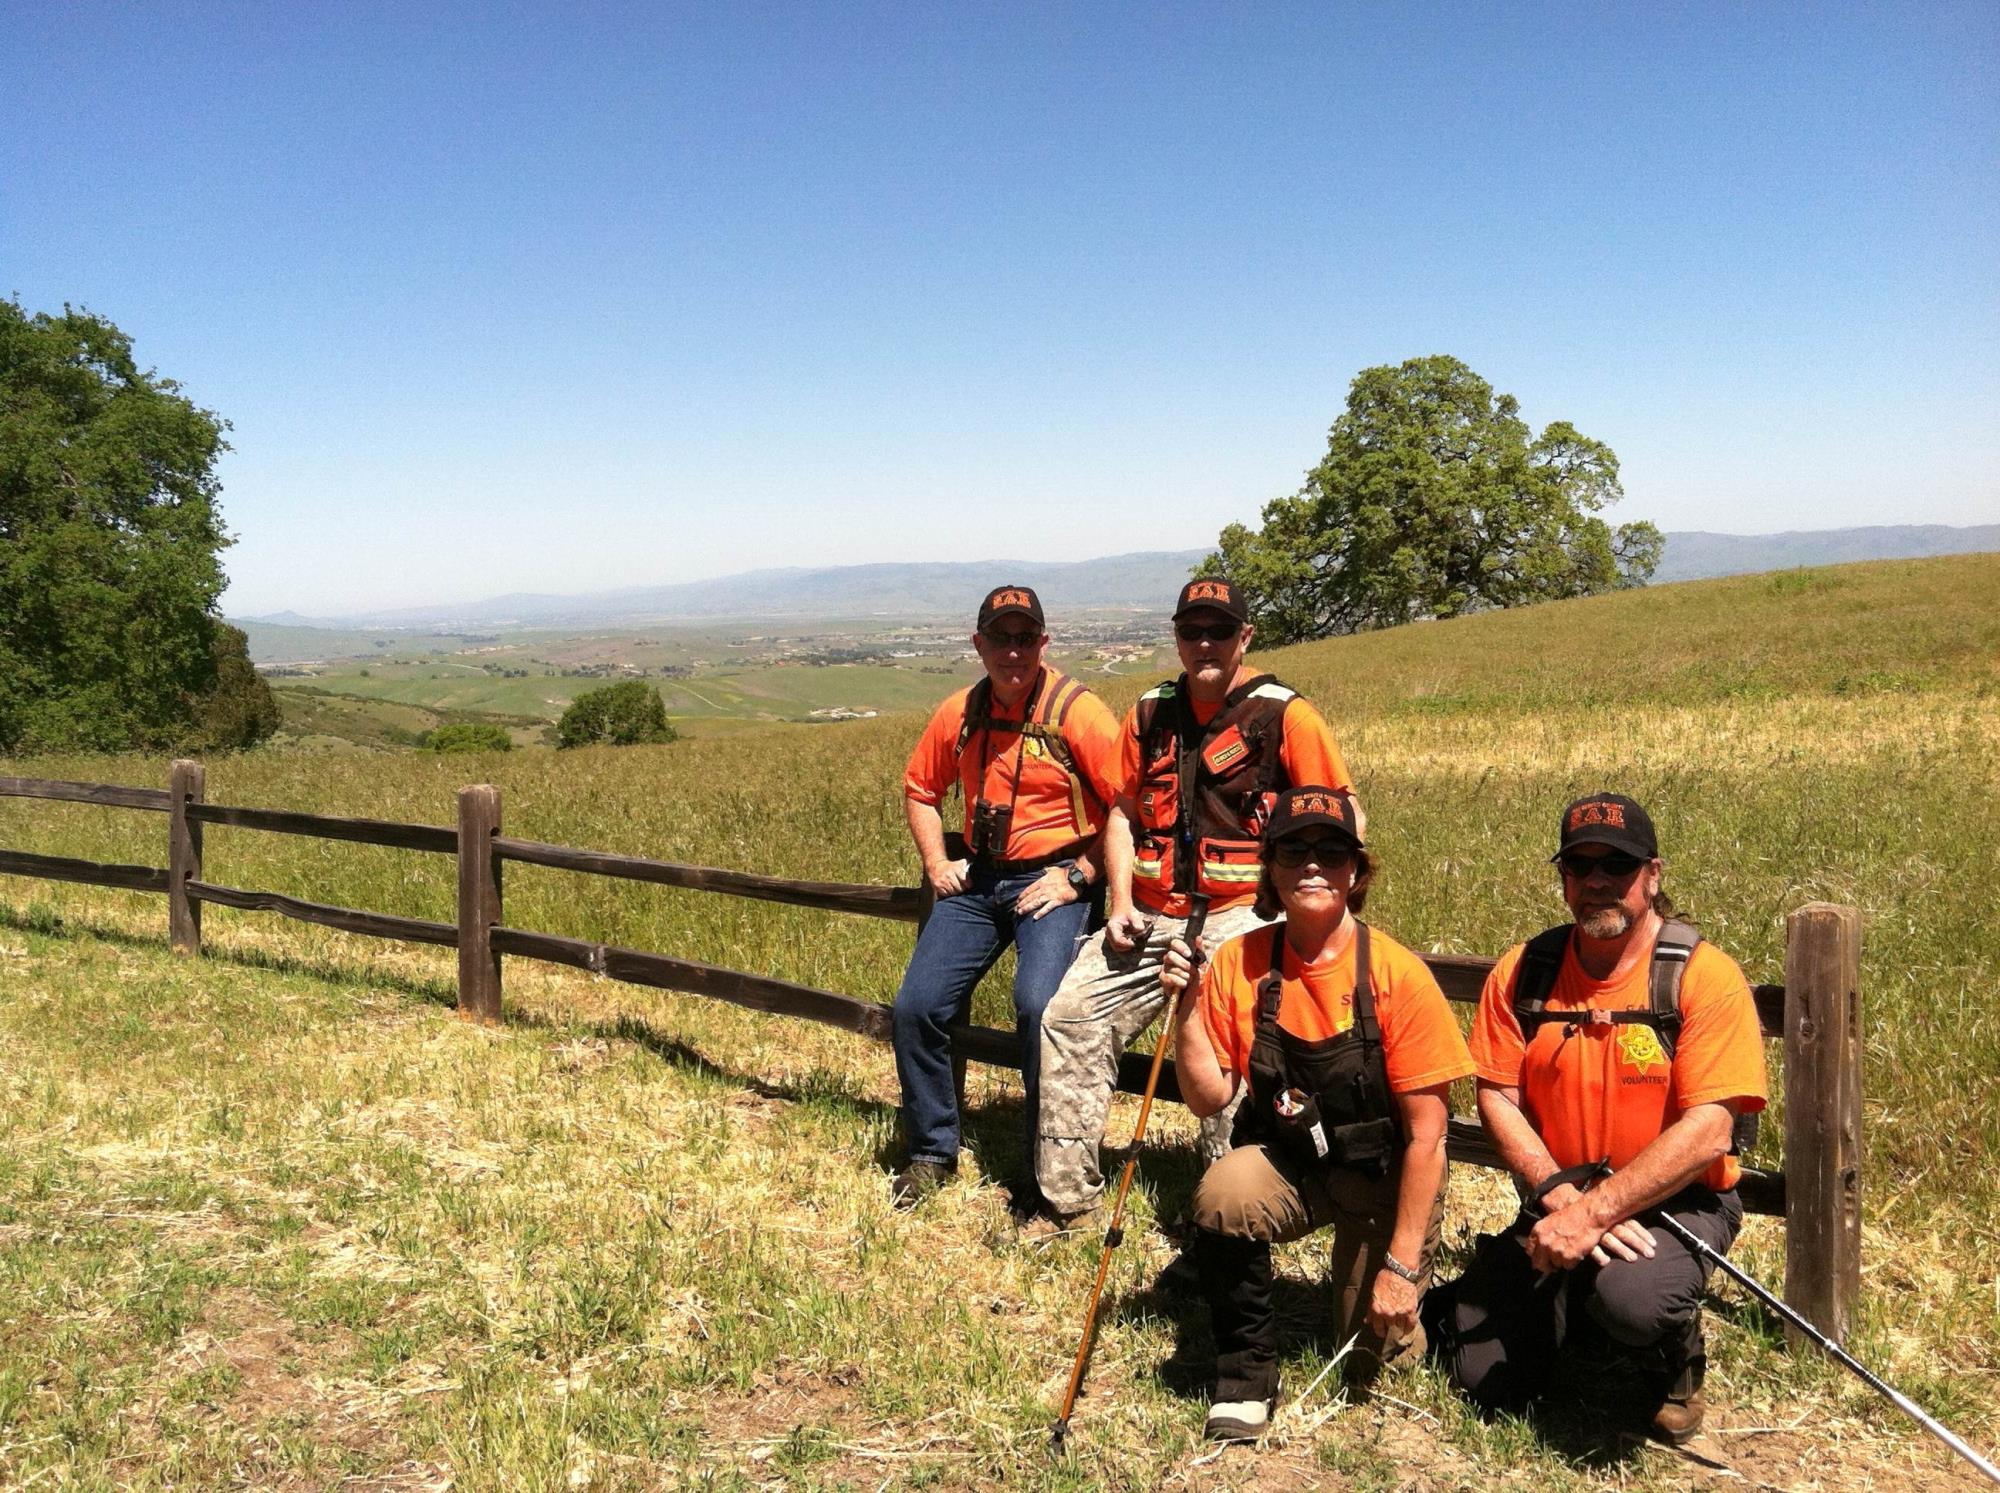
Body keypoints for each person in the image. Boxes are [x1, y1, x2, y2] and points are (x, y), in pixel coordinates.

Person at [1429, 792, 1768, 1444]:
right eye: (1579, 867)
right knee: (1485, 1383)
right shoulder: (1525, 971)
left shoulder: (1702, 976)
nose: (1598, 882)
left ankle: (1674, 1353)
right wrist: (1559, 1195)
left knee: (1632, 1301)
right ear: (1563, 879)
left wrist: (1595, 1212)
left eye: (1617, 864)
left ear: (1654, 874)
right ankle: (1564, 1302)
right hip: (1561, 1192)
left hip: (1682, 1200)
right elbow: (1495, 1093)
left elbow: (1711, 1129)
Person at [1031, 577, 1363, 1231]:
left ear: (1246, 636)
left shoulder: (1284, 715)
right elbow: (1122, 812)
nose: (1203, 642)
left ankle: (1223, 1217)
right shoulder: (1150, 711)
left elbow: (1344, 812)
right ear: (1177, 637)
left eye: (1218, 629)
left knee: (1223, 1038)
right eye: (1191, 630)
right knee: (1067, 1016)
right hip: (1148, 911)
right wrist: (1120, 900)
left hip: (1244, 911)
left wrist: (1298, 902)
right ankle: (1065, 1201)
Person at [1161, 786, 1473, 1440]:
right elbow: (1208, 1097)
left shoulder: (1397, 975)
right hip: (1293, 1160)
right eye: (1293, 849)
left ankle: (1436, 1302)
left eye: (1331, 851)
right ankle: (1246, 1374)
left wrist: (1401, 1267)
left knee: (1374, 1367)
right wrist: (1187, 1007)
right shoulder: (1240, 962)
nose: (1312, 864)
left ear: (1356, 871)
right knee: (1223, 1191)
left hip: (1380, 1175)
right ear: (1270, 867)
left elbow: (1427, 1139)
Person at [889, 585, 1124, 1208]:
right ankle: (932, 1151)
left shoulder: (1078, 712)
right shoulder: (960, 711)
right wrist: (937, 861)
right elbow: (919, 788)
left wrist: (1078, 876)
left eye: (1025, 638)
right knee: (917, 1006)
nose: (1013, 651)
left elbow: (1129, 808)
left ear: (1043, 643)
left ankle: (1044, 1167)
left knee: (1038, 1009)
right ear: (979, 644)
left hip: (1056, 882)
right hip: (980, 876)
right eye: (1000, 638)